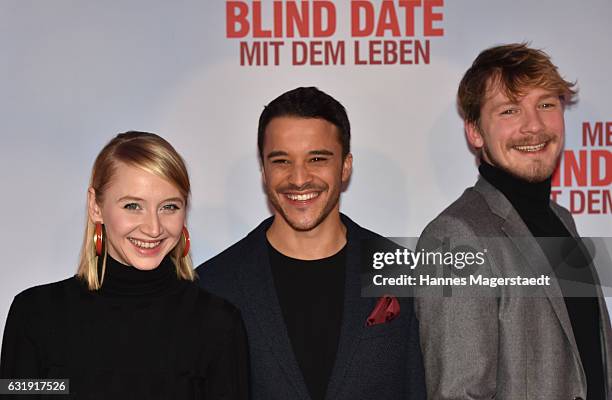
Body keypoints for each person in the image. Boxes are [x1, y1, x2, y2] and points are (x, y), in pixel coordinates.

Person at [196, 87, 425, 400]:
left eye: (317, 158)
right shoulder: (214, 285)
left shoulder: (402, 273)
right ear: (263, 171)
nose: (299, 178)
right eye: (281, 161)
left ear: (345, 166)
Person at [415, 43, 612, 399]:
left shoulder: (562, 220)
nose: (534, 125)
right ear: (475, 132)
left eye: (546, 105)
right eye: (510, 110)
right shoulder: (455, 237)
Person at [0, 131, 248, 399]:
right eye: (133, 206)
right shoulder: (35, 314)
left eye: (169, 207)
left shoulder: (217, 323)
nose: (153, 228)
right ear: (96, 206)